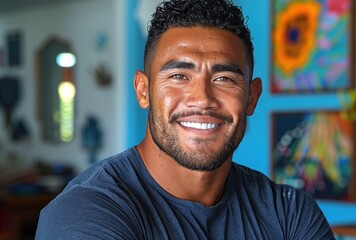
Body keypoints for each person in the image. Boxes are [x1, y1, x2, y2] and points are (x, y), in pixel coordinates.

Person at [36, 0, 335, 239]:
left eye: (224, 78)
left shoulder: (288, 212)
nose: (203, 98)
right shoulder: (86, 212)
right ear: (143, 90)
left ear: (251, 97)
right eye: (179, 76)